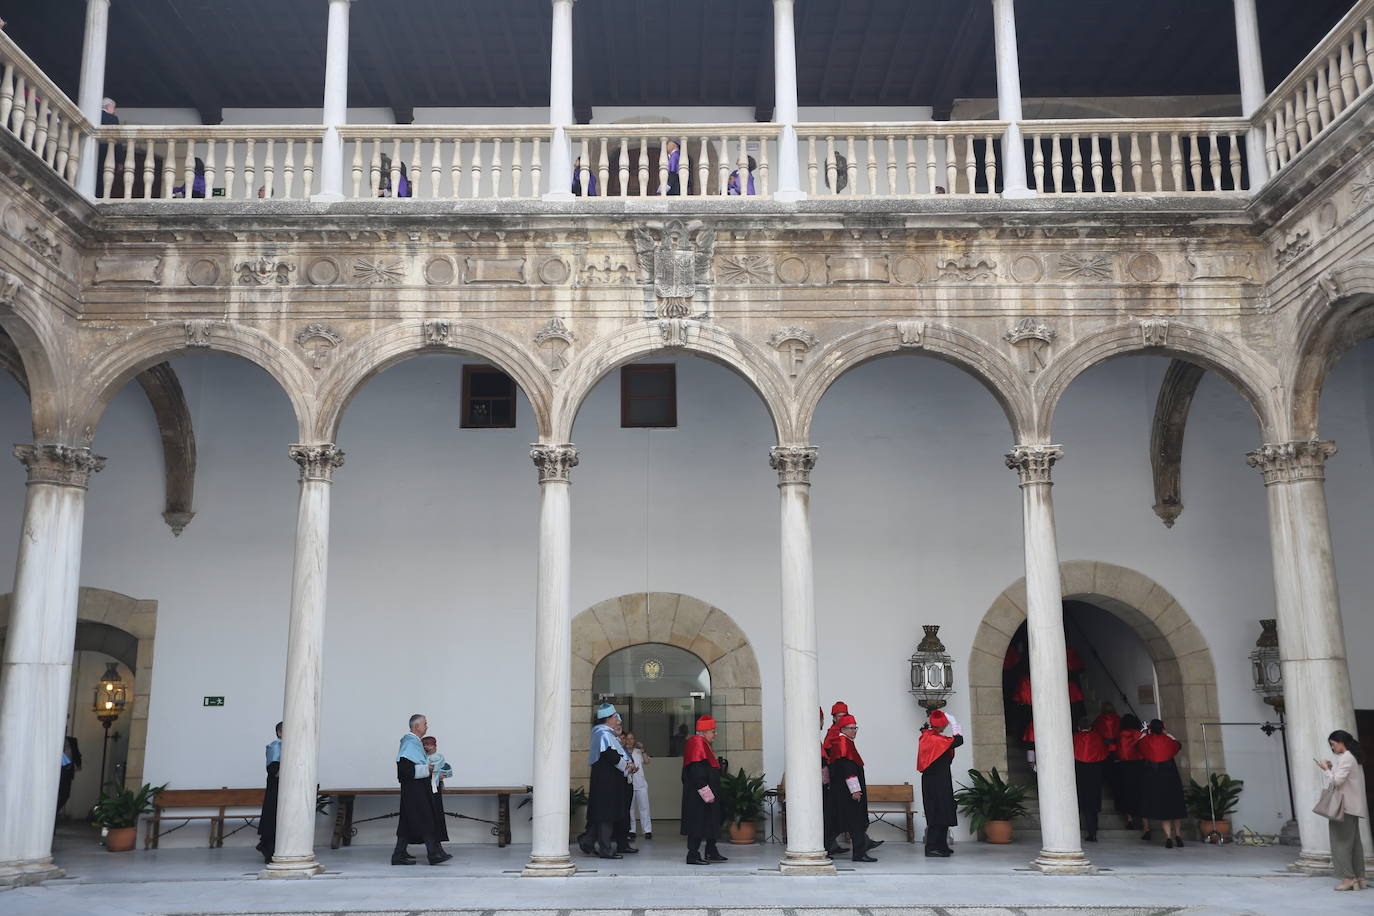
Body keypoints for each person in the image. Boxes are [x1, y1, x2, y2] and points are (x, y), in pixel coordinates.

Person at [578, 703, 636, 858]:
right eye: (615, 716)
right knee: (606, 816)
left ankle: (587, 842)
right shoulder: (602, 733)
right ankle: (605, 849)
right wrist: (626, 766)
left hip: (609, 781)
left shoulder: (607, 734)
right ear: (609, 718)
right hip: (605, 783)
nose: (617, 719)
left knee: (603, 815)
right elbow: (611, 756)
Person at [392, 714, 450, 865]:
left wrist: (435, 773)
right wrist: (427, 769)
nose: (427, 726)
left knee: (407, 821)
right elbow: (404, 770)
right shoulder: (409, 743)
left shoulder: (415, 742)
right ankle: (433, 854)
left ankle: (399, 854)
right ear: (417, 726)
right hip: (414, 790)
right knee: (426, 818)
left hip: (416, 788)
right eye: (425, 723)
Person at [1318, 729, 1368, 891]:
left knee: (1341, 843)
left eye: (1333, 744)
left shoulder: (1346, 757)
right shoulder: (1350, 757)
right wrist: (1331, 769)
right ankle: (1360, 878)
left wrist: (1325, 769)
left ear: (1340, 742)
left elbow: (1337, 782)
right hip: (1350, 807)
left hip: (1343, 808)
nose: (1332, 748)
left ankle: (1348, 879)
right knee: (1354, 844)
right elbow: (1341, 780)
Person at [828, 714, 878, 862]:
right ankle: (859, 854)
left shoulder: (842, 741)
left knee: (838, 823)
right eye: (851, 728)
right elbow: (848, 768)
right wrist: (855, 789)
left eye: (855, 728)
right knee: (856, 823)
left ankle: (824, 848)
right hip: (848, 792)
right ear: (843, 729)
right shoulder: (844, 743)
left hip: (840, 791)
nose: (854, 731)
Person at [917, 708, 963, 857]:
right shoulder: (934, 739)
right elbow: (958, 740)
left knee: (943, 810)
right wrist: (954, 723)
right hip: (935, 781)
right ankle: (931, 847)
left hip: (939, 779)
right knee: (937, 812)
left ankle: (941, 845)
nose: (946, 727)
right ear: (941, 725)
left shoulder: (931, 736)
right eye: (945, 724)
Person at [681, 714, 725, 865]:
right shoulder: (697, 744)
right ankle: (692, 854)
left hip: (705, 795)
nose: (715, 734)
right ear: (705, 732)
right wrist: (707, 794)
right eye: (713, 731)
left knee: (709, 822)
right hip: (698, 796)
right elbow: (697, 773)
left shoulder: (703, 744)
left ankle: (711, 851)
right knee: (697, 824)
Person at [1137, 719, 1186, 847]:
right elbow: (1178, 745)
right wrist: (1167, 733)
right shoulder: (1168, 740)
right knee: (1175, 806)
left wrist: (1145, 733)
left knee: (1164, 809)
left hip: (1154, 778)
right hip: (1171, 776)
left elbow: (1138, 745)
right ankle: (1178, 835)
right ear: (1162, 729)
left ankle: (1168, 838)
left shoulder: (1147, 740)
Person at [1073, 720, 1109, 842]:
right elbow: (1104, 754)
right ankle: (1092, 831)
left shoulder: (1075, 738)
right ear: (1090, 727)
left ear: (1078, 727)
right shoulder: (1097, 738)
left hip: (1079, 772)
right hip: (1094, 773)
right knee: (1092, 804)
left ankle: (1074, 831)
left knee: (1077, 801)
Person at [255, 722, 282, 863]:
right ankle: (269, 849)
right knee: (273, 816)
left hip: (284, 787)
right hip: (276, 787)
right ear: (279, 733)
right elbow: (273, 770)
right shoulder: (276, 746)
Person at [1113, 713, 1144, 830]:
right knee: (1139, 792)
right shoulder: (1139, 734)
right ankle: (1142, 819)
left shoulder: (1121, 735)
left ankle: (1129, 819)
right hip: (1139, 766)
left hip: (1124, 766)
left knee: (1126, 792)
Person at [421, 735, 453, 845]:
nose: (427, 747)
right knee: (428, 815)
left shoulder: (438, 757)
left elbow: (442, 770)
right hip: (425, 787)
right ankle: (432, 843)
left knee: (436, 813)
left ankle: (436, 842)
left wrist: (440, 774)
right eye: (424, 745)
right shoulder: (421, 757)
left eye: (429, 745)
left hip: (435, 787)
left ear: (435, 746)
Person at [626, 731, 652, 840]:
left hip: (641, 784)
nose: (629, 741)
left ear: (634, 740)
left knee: (644, 808)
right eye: (627, 738)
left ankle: (647, 830)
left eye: (632, 738)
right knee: (630, 809)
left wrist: (643, 750)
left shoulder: (638, 752)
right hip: (629, 784)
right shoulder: (622, 752)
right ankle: (632, 830)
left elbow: (647, 761)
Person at [57, 735, 81, 816]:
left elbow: (76, 753)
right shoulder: (54, 738)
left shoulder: (72, 740)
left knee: (66, 794)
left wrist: (78, 764)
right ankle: (52, 815)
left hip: (68, 771)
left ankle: (54, 811)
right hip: (57, 772)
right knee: (57, 794)